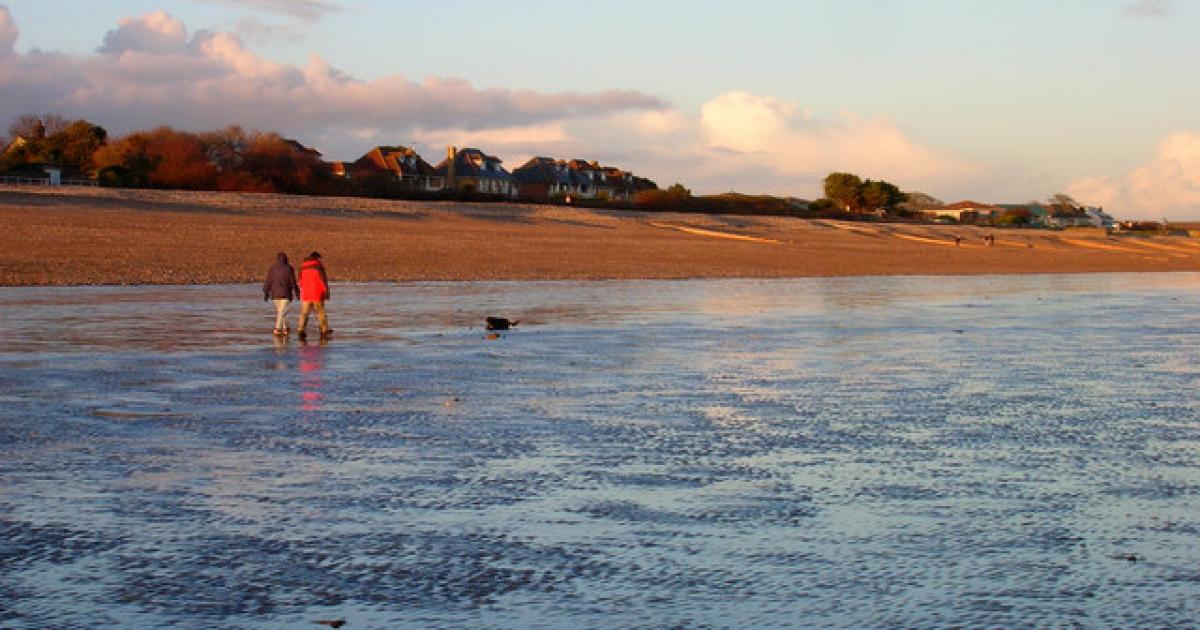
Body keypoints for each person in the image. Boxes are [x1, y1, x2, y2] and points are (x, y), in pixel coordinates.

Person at [297, 251, 332, 340]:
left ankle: (301, 330)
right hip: (317, 293)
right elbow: (323, 280)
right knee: (320, 312)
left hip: (306, 294)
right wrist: (326, 292)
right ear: (317, 258)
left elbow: (300, 281)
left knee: (304, 313)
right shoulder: (318, 266)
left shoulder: (302, 267)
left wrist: (302, 290)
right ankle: (324, 330)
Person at [262, 252, 298, 336]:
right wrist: (297, 293)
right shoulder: (289, 268)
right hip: (286, 294)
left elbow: (268, 281)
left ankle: (285, 328)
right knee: (282, 312)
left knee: (281, 311)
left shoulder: (272, 269)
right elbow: (293, 282)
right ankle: (278, 328)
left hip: (275, 294)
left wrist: (266, 292)